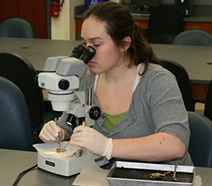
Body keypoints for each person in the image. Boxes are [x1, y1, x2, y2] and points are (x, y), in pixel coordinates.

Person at [39, 1, 193, 166]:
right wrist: (58, 132)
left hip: (160, 181)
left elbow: (175, 145)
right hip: (106, 181)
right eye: (84, 44)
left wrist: (109, 146)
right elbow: (69, 125)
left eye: (96, 45)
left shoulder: (157, 82)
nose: (88, 53)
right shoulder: (87, 79)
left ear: (124, 44)